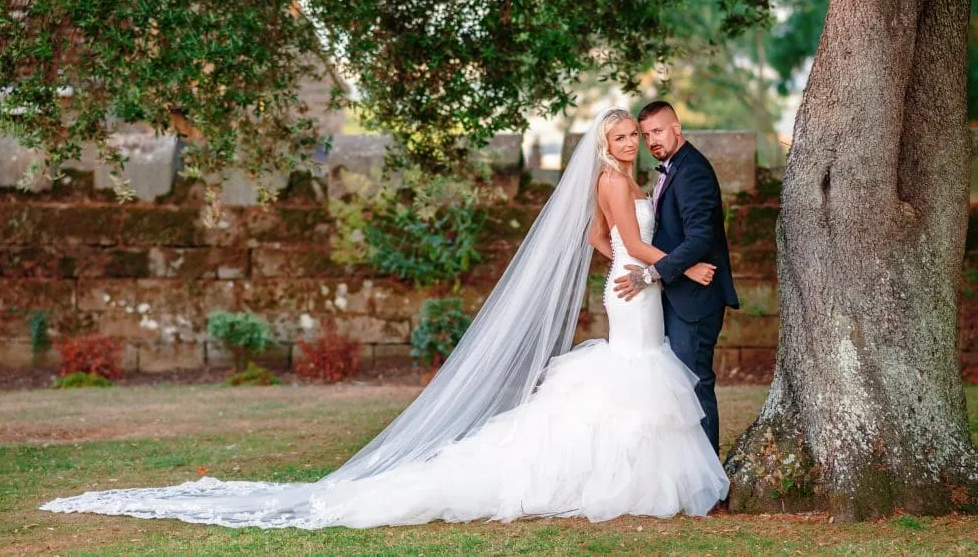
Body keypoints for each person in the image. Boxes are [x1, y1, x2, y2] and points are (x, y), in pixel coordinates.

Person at [40, 107, 729, 529]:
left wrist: (633, 263)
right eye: (620, 134)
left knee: (631, 383)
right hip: (639, 286)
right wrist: (672, 265)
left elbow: (600, 242)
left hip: (634, 284)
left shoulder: (632, 177)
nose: (631, 141)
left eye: (635, 133)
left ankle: (625, 475)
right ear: (603, 143)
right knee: (634, 377)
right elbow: (626, 243)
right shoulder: (611, 178)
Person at [612, 100, 739, 454]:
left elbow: (700, 238)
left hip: (696, 301)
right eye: (646, 133)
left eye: (658, 131)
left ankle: (709, 479)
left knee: (694, 385)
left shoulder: (693, 170)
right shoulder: (672, 167)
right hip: (677, 291)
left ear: (677, 127)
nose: (652, 140)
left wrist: (651, 273)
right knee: (675, 386)